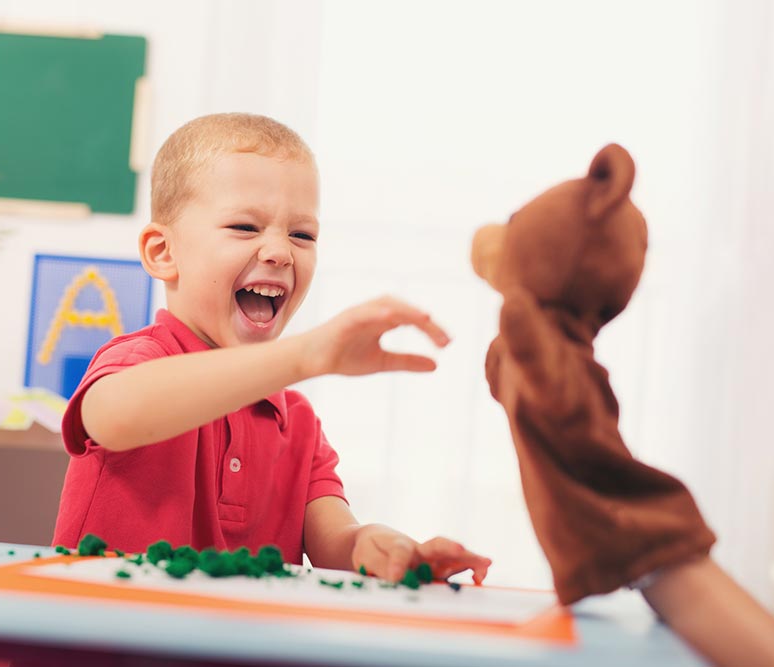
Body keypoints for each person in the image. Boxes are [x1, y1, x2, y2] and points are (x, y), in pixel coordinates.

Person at [52, 112, 491, 584]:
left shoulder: (298, 423)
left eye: (302, 234)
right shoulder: (139, 362)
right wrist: (306, 356)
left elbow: (335, 543)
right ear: (163, 252)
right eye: (245, 227)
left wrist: (382, 549)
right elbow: (114, 417)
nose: (280, 252)